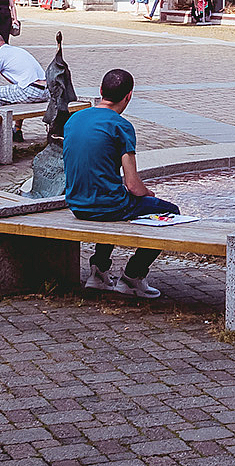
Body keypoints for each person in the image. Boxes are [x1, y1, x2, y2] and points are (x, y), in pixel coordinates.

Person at [65, 67, 178, 297]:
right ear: (129, 96)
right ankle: (133, 276)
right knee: (171, 212)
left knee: (111, 194)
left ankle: (98, 271)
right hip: (107, 207)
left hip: (76, 204)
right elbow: (133, 185)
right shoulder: (121, 125)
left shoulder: (74, 119)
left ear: (100, 91)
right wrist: (149, 194)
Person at [0, 33, 46, 111]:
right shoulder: (16, 50)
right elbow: (15, 81)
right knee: (7, 95)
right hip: (45, 91)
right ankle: (10, 119)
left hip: (30, 90)